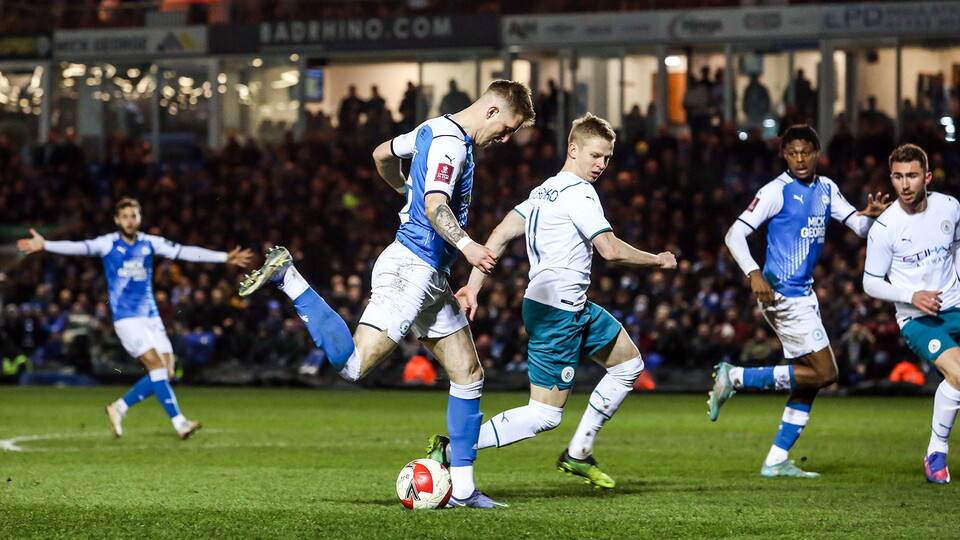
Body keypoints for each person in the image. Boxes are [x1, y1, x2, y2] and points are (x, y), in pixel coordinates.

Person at [237, 80, 535, 507]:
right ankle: (289, 278)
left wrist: (403, 190)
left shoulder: (434, 128)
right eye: (507, 128)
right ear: (491, 111)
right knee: (353, 367)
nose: (505, 139)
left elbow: (380, 154)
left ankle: (464, 490)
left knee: (469, 375)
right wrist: (468, 245)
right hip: (410, 268)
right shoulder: (451, 145)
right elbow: (435, 206)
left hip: (431, 275)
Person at [455, 113, 677, 488]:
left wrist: (473, 286)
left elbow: (500, 233)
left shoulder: (543, 191)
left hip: (571, 307)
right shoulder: (579, 192)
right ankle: (455, 449)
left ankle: (579, 453)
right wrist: (657, 259)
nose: (601, 166)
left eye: (607, 158)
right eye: (595, 156)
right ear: (573, 149)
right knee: (544, 415)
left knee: (628, 366)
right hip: (557, 312)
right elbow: (608, 249)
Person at [712, 124, 890, 477]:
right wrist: (753, 272)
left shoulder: (827, 189)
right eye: (792, 153)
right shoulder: (775, 191)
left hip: (803, 294)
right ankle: (736, 379)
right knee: (826, 373)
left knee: (808, 379)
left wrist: (872, 217)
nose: (799, 159)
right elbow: (735, 234)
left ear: (816, 152)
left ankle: (776, 459)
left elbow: (858, 228)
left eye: (805, 152)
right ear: (784, 155)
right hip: (781, 293)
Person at [16, 198, 253, 439]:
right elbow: (80, 247)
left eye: (134, 216)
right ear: (117, 220)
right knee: (157, 367)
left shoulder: (150, 243)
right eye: (125, 216)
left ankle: (119, 407)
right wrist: (46, 244)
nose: (130, 220)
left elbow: (183, 251)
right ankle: (180, 423)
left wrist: (223, 257)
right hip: (126, 318)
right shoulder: (108, 244)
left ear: (139, 218)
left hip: (150, 315)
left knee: (167, 372)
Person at [862, 143, 960, 483]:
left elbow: (957, 249)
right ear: (891, 178)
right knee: (959, 373)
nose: (905, 185)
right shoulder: (885, 228)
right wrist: (911, 295)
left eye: (913, 176)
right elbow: (871, 283)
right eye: (899, 177)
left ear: (927, 177)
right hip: (917, 320)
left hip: (956, 308)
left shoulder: (949, 207)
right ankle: (936, 452)